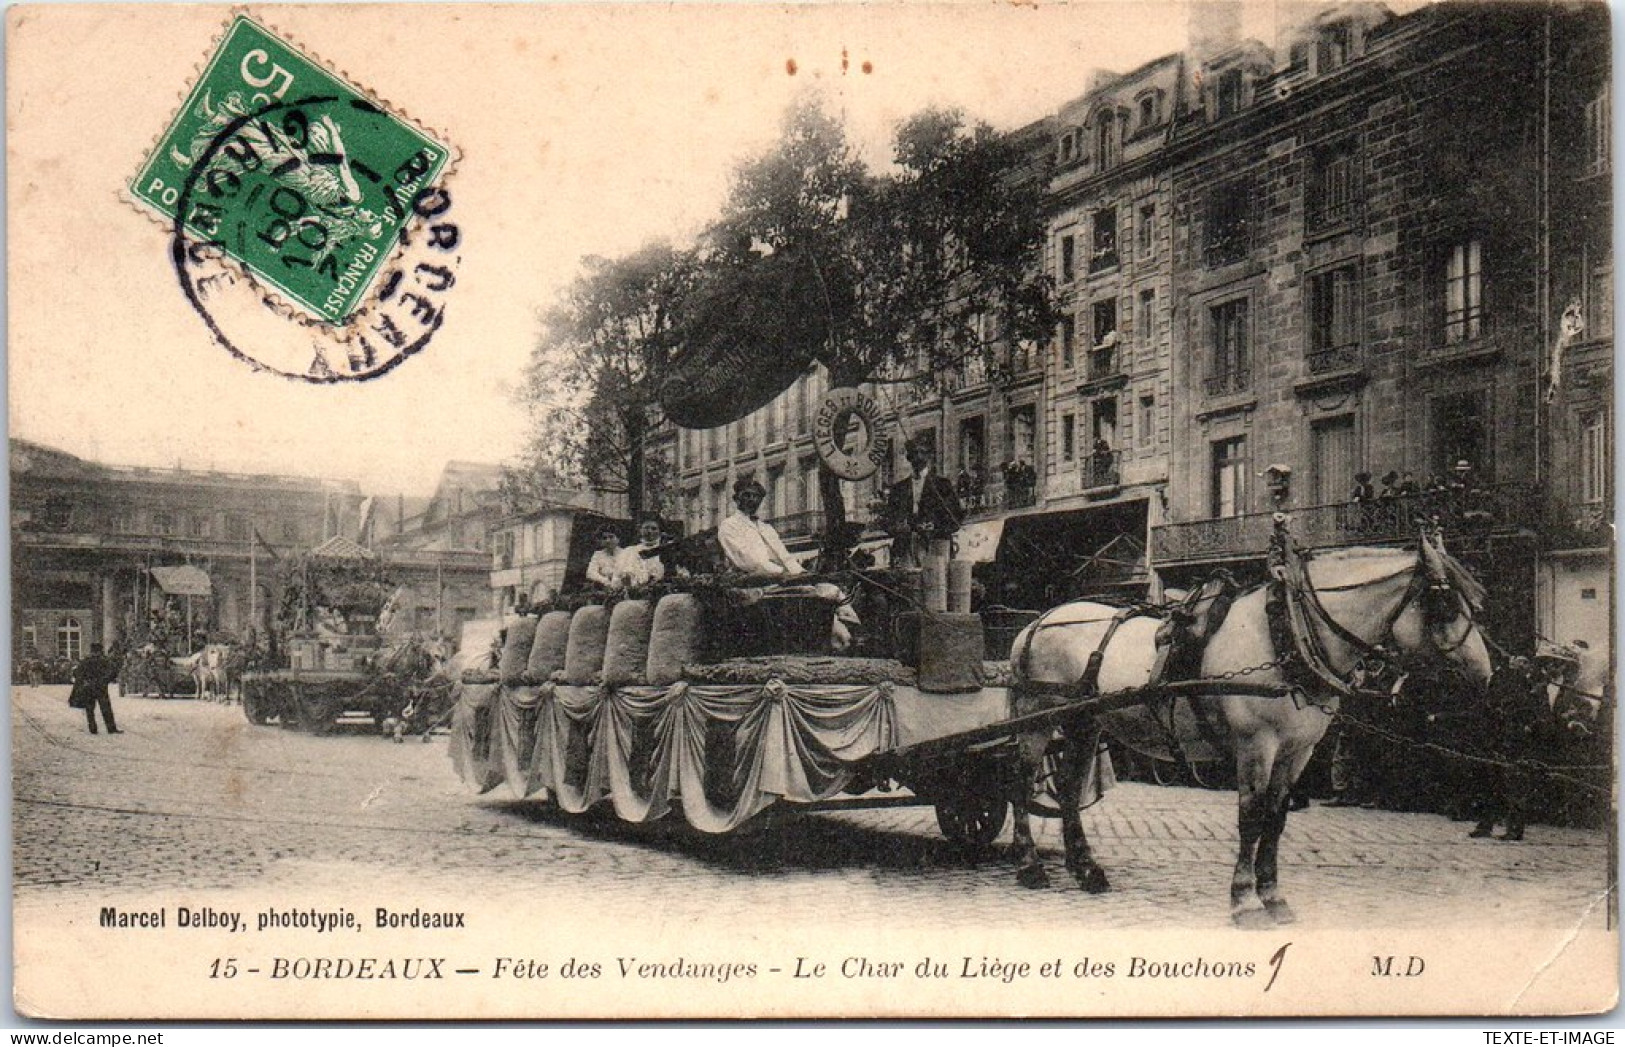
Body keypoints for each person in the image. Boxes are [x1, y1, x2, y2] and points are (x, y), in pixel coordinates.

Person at [719, 478, 857, 650]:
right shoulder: (729, 526)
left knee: (831, 589)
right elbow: (748, 560)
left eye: (756, 497)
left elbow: (785, 557)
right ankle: (840, 636)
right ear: (736, 498)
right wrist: (786, 575)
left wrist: (801, 573)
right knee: (814, 594)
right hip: (757, 581)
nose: (751, 500)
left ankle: (850, 629)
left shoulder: (766, 528)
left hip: (784, 578)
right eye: (746, 495)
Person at [885, 439, 962, 569]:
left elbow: (956, 519)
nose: (918, 457)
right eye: (914, 454)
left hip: (935, 546)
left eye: (922, 452)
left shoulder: (941, 485)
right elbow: (888, 520)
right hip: (905, 548)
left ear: (929, 456)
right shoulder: (899, 489)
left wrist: (935, 527)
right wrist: (897, 527)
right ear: (909, 458)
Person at [70, 643, 121, 735]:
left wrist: (85, 681)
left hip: (89, 687)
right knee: (106, 708)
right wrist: (105, 680)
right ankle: (111, 728)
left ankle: (92, 728)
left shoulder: (85, 661)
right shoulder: (105, 660)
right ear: (100, 651)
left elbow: (77, 673)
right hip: (101, 687)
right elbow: (112, 672)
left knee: (90, 709)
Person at [624, 518, 667, 587]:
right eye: (646, 528)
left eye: (654, 529)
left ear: (660, 532)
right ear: (640, 530)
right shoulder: (630, 551)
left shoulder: (665, 550)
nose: (649, 531)